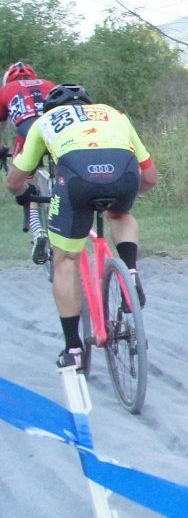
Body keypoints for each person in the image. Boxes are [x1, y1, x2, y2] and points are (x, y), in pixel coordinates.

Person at [4, 84, 156, 371]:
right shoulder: (115, 114)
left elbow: (15, 180)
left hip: (76, 181)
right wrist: (124, 193)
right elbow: (149, 177)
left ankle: (73, 349)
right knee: (120, 215)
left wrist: (24, 194)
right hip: (123, 176)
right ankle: (131, 272)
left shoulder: (44, 121)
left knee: (66, 260)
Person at [0, 61, 60, 264]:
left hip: (27, 134)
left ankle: (38, 232)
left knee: (23, 182)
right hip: (58, 133)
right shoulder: (49, 83)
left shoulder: (5, 90)